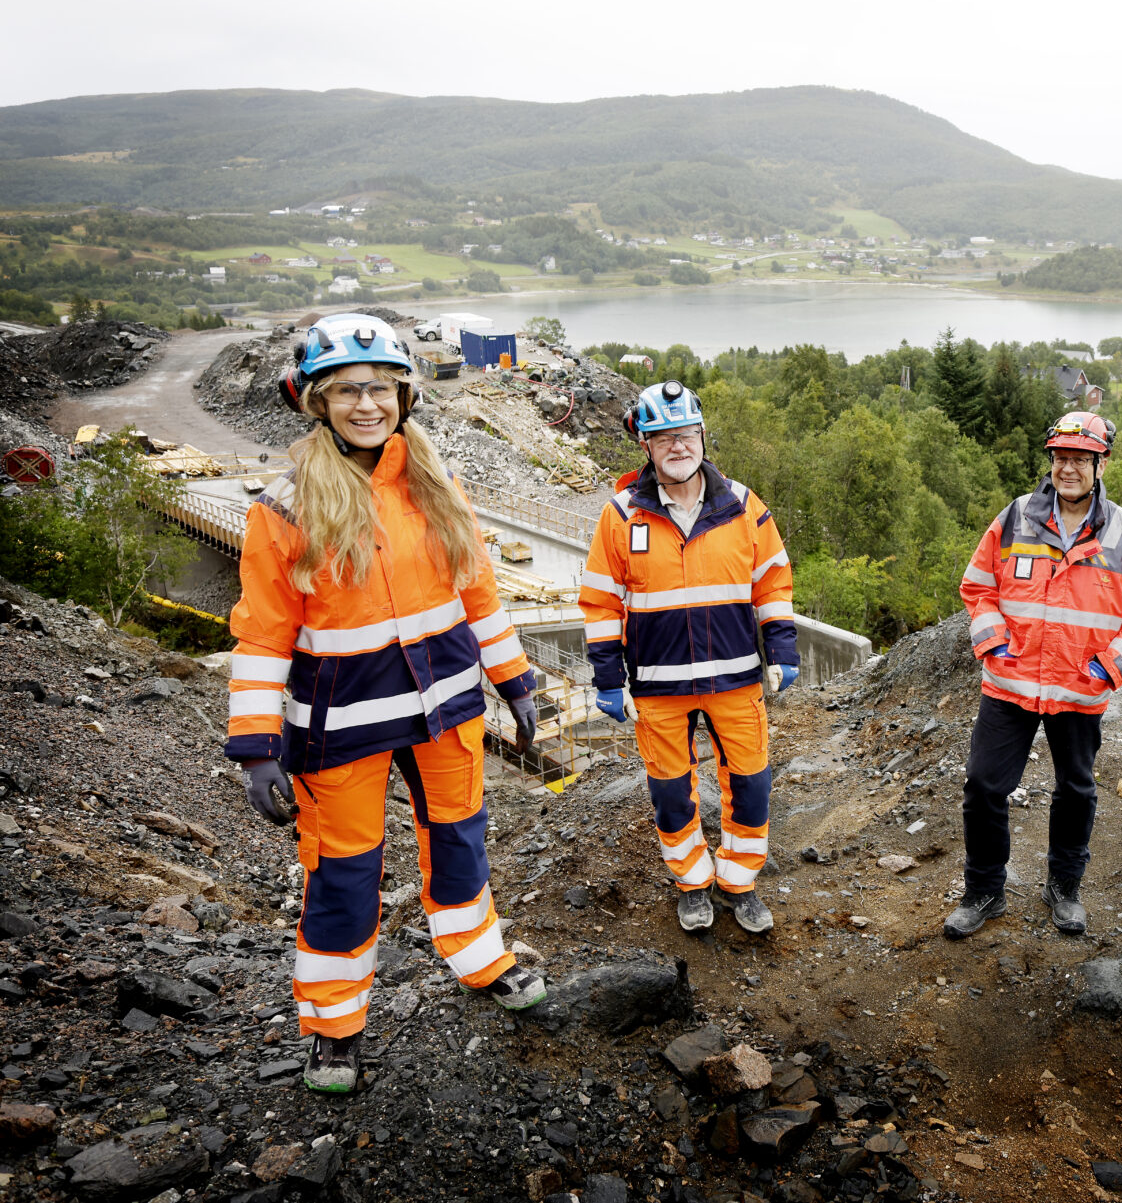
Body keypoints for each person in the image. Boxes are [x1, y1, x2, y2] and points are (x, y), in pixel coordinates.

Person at [226, 313, 548, 1095]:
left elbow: (477, 590)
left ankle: (482, 960)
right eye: (346, 390)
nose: (366, 403)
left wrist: (515, 680)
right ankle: (335, 1027)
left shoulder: (433, 484)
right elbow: (265, 633)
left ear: (405, 394)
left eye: (380, 387)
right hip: (343, 724)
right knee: (343, 873)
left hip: (444, 710)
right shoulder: (287, 504)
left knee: (461, 842)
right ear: (315, 401)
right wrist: (256, 744)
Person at [579, 379, 799, 935]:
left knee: (749, 783)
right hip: (658, 686)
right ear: (646, 446)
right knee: (671, 791)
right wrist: (608, 679)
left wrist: (782, 647)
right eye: (663, 437)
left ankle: (739, 882)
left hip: (735, 679)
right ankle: (692, 883)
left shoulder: (743, 506)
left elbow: (772, 582)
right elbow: (601, 600)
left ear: (702, 437)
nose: (678, 446)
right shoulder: (621, 515)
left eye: (686, 434)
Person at [945, 411, 1122, 938]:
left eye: (1080, 459)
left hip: (1080, 687)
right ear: (1052, 461)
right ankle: (983, 891)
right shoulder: (1015, 517)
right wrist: (994, 642)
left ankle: (1064, 887)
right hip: (1010, 683)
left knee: (1076, 790)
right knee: (983, 786)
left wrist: (1108, 669)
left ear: (1100, 463)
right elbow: (978, 587)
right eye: (1061, 458)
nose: (1068, 469)